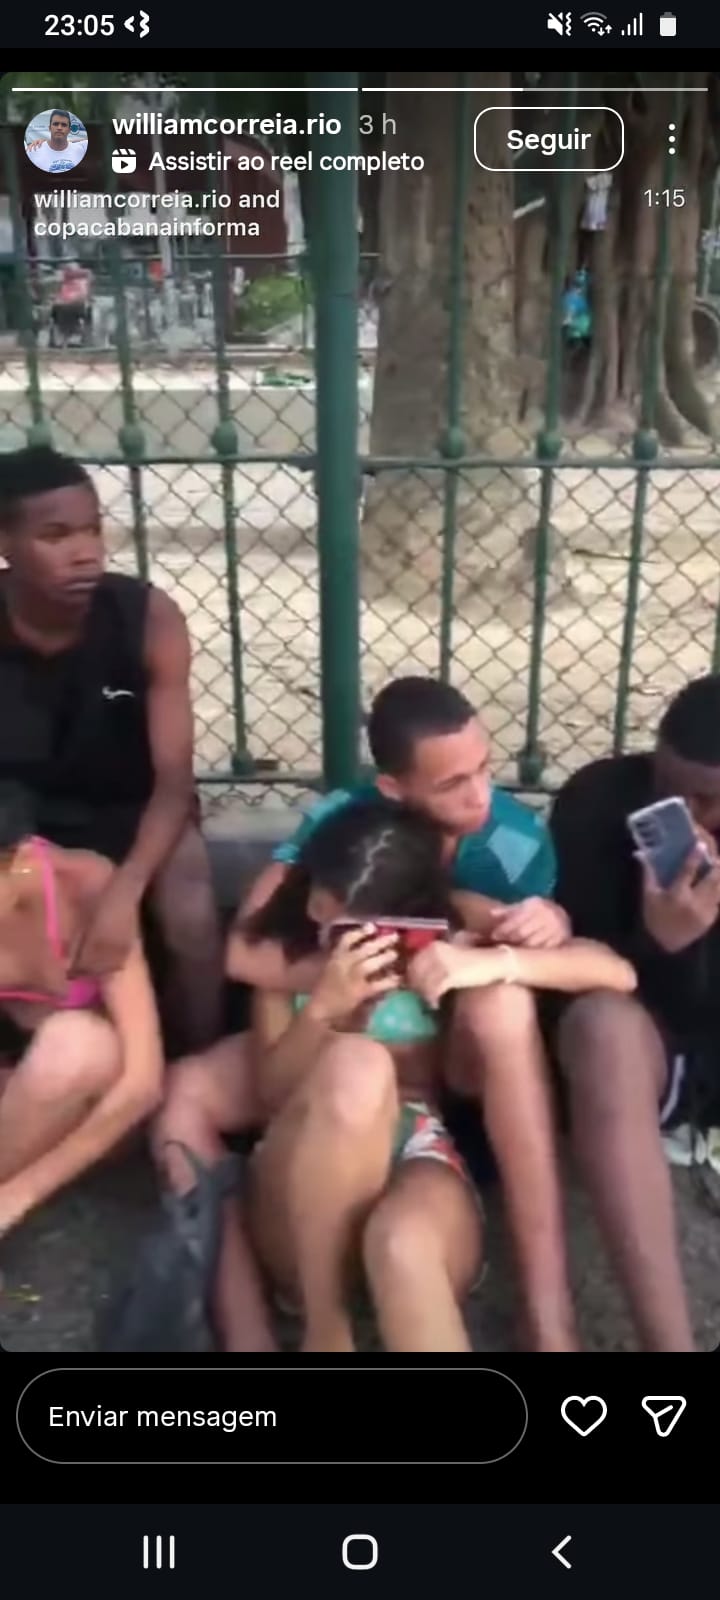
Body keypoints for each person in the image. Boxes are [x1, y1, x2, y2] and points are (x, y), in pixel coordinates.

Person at [157, 676, 604, 1353]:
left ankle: (548, 1314)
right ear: (394, 788)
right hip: (317, 1118)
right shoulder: (339, 831)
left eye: (484, 768)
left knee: (405, 1233)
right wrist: (335, 992)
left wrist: (521, 941)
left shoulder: (505, 851)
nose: (480, 795)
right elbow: (251, 955)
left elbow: (596, 964)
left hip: (435, 1106)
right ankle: (272, 1332)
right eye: (452, 783)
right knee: (332, 1067)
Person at [239, 797, 636, 1354]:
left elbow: (615, 972)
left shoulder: (448, 926)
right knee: (358, 1064)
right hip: (304, 1181)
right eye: (347, 925)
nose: (363, 943)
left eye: (384, 930)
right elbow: (270, 1096)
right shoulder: (288, 956)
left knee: (403, 1244)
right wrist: (324, 1012)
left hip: (416, 1144)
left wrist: (489, 961)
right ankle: (327, 1333)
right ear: (317, 900)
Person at [0, 445, 223, 1053]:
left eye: (93, 529)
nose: (86, 552)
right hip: (22, 822)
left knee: (192, 911)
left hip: (137, 810)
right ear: (6, 545)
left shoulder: (146, 617)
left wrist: (124, 891)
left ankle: (194, 1063)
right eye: (55, 535)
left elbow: (173, 782)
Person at [549, 673, 720, 1353]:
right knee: (602, 1027)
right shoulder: (597, 801)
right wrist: (662, 943)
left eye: (711, 799)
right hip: (646, 1043)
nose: (691, 815)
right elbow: (573, 974)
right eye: (673, 791)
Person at [0, 782, 163, 1241]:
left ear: (20, 860)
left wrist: (18, 1196)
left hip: (102, 1108)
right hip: (16, 1090)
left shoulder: (86, 885)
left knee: (74, 1045)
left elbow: (143, 1085)